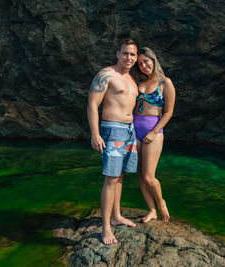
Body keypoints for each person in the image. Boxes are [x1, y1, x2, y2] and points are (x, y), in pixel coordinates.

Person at [87, 39, 139, 245]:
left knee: (120, 176)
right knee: (111, 178)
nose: (129, 58)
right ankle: (106, 227)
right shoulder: (106, 74)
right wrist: (95, 133)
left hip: (130, 131)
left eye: (133, 55)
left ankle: (117, 216)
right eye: (125, 53)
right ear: (118, 53)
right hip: (113, 130)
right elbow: (92, 104)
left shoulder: (132, 80)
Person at [132, 47, 176, 223]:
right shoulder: (137, 82)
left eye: (146, 61)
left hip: (153, 131)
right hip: (134, 130)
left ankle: (161, 203)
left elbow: (168, 113)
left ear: (153, 59)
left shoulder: (165, 82)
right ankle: (151, 210)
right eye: (140, 63)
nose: (143, 65)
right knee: (141, 176)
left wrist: (154, 131)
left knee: (149, 176)